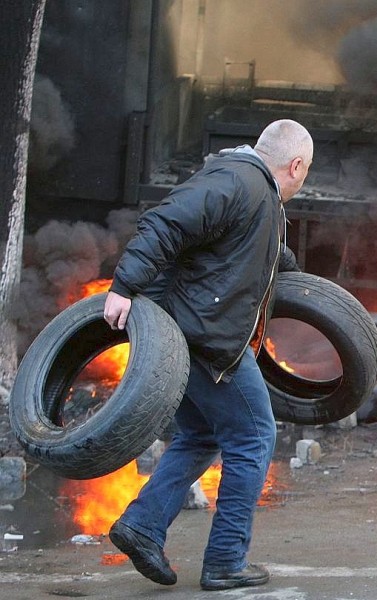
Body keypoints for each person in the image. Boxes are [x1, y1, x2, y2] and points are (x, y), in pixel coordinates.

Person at [103, 119, 313, 591]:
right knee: (254, 435)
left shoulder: (257, 194)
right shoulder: (237, 181)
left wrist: (314, 293)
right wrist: (124, 286)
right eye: (306, 172)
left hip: (192, 330)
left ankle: (142, 526)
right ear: (296, 165)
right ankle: (225, 561)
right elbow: (167, 220)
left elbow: (262, 254)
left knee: (200, 435)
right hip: (204, 337)